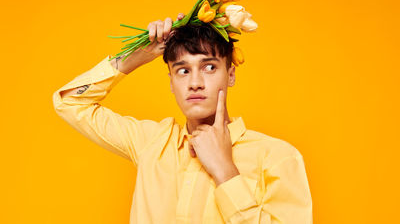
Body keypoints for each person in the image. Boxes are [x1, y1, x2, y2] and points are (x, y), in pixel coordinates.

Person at [52, 13, 313, 223]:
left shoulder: (278, 157)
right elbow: (70, 102)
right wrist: (136, 57)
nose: (195, 83)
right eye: (183, 70)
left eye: (209, 67)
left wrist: (226, 172)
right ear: (171, 82)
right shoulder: (151, 143)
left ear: (231, 74)